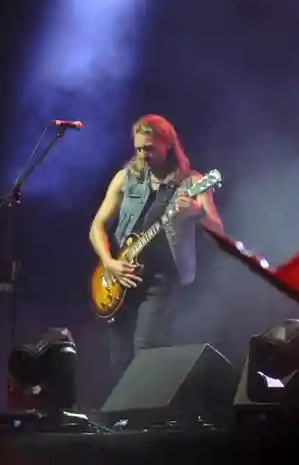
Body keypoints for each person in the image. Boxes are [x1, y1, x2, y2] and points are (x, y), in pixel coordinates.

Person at [89, 114, 224, 378]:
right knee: (118, 356)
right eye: (138, 149)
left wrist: (197, 212)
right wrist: (109, 262)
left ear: (168, 145)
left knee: (145, 350)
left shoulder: (193, 182)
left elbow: (219, 231)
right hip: (121, 275)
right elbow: (97, 226)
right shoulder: (125, 179)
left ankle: (143, 403)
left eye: (149, 149)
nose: (143, 155)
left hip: (161, 279)